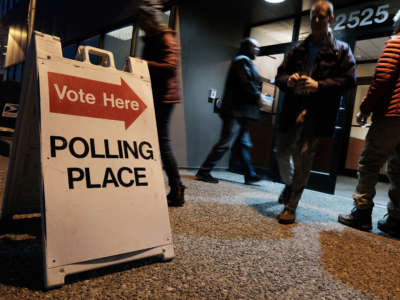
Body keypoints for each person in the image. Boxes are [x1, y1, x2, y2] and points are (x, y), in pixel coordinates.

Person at [274, 0, 356, 224]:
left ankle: (291, 206)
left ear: (331, 19)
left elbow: (349, 80)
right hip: (293, 108)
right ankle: (290, 185)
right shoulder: (297, 49)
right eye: (313, 16)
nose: (316, 20)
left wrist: (319, 86)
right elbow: (279, 76)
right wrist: (289, 80)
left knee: (303, 157)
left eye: (321, 16)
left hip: (319, 111)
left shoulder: (341, 50)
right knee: (281, 152)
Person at [338, 11, 400, 237]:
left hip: (392, 115)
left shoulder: (396, 42)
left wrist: (365, 108)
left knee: (369, 163)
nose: (393, 27)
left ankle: (362, 214)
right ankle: (396, 220)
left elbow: (383, 77)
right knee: (398, 170)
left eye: (394, 23)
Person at [136, 0, 185, 207]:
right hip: (152, 95)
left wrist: (142, 64)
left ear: (152, 18)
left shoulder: (165, 36)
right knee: (152, 141)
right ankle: (157, 185)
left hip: (164, 97)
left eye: (144, 19)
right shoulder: (150, 38)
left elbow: (170, 67)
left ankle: (177, 188)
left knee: (162, 142)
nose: (141, 24)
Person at [195, 38, 264, 185]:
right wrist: (258, 96)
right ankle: (204, 171)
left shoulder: (243, 61)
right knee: (226, 142)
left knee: (244, 143)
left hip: (240, 111)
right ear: (247, 47)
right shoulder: (241, 61)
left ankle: (250, 174)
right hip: (235, 111)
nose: (258, 49)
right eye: (255, 47)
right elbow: (245, 83)